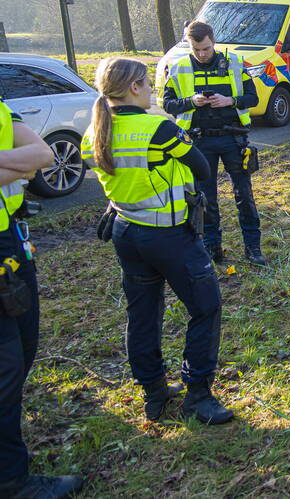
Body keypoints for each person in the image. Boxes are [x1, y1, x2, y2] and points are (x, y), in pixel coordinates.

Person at [82, 58, 233, 426]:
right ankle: (198, 396)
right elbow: (201, 167)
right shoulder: (158, 128)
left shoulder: (94, 131)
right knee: (206, 307)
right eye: (148, 83)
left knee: (143, 314)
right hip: (168, 235)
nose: (151, 89)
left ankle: (154, 392)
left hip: (126, 231)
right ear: (134, 87)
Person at [0, 103, 83, 497]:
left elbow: (41, 156)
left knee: (23, 347)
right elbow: (27, 162)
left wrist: (21, 164)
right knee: (5, 365)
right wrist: (16, 165)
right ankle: (11, 480)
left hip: (10, 239)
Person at [163, 21, 266, 267]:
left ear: (214, 41)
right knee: (205, 198)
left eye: (206, 49)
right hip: (200, 140)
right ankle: (212, 248)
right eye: (196, 49)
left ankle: (253, 248)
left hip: (233, 138)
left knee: (244, 195)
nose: (201, 54)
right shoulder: (179, 67)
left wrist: (230, 100)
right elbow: (167, 104)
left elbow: (253, 97)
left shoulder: (235, 63)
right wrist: (191, 101)